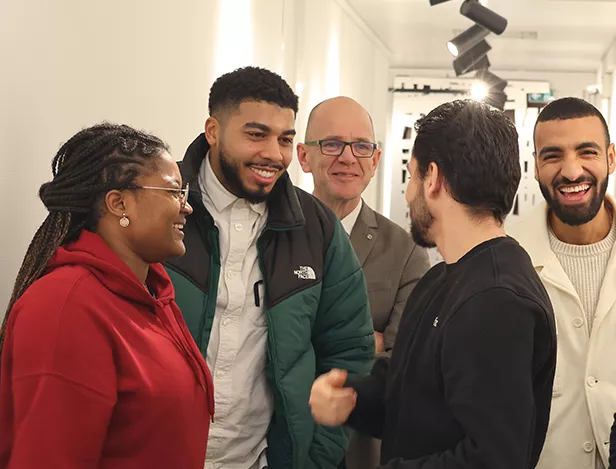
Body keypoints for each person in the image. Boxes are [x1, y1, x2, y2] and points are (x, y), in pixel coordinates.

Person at [309, 99, 557, 469]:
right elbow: (413, 390)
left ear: (434, 179)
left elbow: (493, 459)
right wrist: (353, 398)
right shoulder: (441, 279)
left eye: (412, 176)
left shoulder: (496, 300)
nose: (409, 194)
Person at [164, 66, 375, 469]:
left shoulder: (317, 228)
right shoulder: (158, 204)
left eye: (285, 139)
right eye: (256, 135)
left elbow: (349, 351)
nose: (274, 154)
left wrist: (314, 460)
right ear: (213, 131)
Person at [0, 123, 213, 469]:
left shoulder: (153, 293)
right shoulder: (65, 306)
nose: (186, 207)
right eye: (174, 192)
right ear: (118, 203)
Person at [297, 96, 430, 469]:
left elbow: (405, 361)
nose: (347, 157)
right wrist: (365, 339)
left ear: (375, 161)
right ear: (304, 156)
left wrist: (310, 344)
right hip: (275, 438)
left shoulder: (406, 250)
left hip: (360, 446)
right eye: (332, 144)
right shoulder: (274, 236)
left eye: (361, 146)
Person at [508, 97, 616, 469]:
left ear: (611, 159)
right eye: (552, 156)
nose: (571, 172)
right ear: (535, 166)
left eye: (587, 152)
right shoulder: (506, 256)